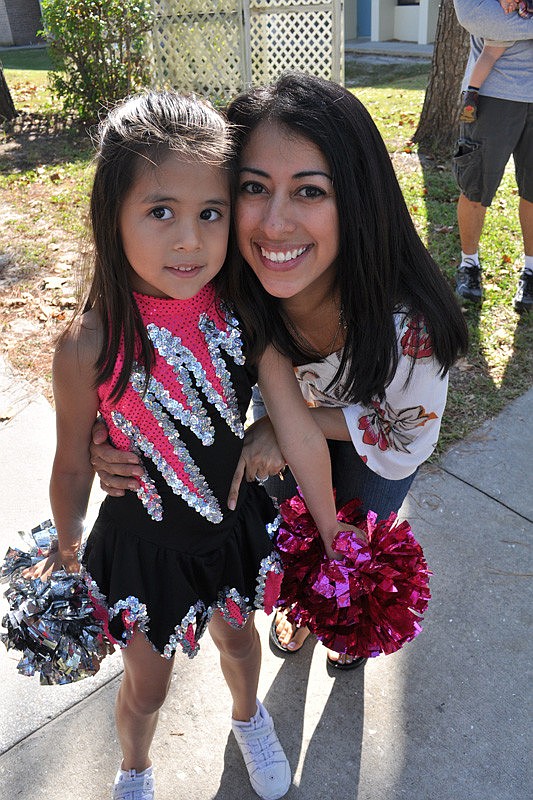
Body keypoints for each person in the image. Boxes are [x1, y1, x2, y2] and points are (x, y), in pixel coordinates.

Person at [26, 90, 363, 800]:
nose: (189, 240)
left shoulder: (243, 308)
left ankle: (248, 718)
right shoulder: (89, 343)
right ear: (109, 215)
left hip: (228, 527)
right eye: (160, 212)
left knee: (240, 643)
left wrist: (336, 533)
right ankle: (135, 766)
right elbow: (68, 461)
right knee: (146, 690)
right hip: (140, 547)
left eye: (209, 213)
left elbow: (294, 422)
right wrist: (64, 547)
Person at [90, 73, 469, 671]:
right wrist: (107, 432)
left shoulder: (407, 323)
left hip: (383, 441)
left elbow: (407, 431)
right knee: (293, 525)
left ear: (357, 196)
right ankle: (303, 598)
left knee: (355, 534)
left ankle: (349, 609)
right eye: (253, 188)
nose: (273, 224)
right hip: (289, 432)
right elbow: (134, 343)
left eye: (310, 192)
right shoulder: (225, 280)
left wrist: (296, 424)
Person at [453, 0, 533, 311]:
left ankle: (530, 270)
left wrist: (513, 20)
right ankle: (469, 264)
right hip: (492, 96)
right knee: (475, 188)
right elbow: (474, 16)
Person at [459, 0, 533, 124]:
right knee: (489, 54)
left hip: (508, 14)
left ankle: (471, 93)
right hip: (514, 15)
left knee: (489, 55)